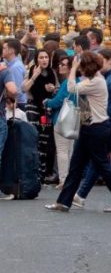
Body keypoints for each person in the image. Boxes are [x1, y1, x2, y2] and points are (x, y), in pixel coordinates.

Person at [44, 51, 111, 212]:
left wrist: (73, 68)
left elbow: (71, 88)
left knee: (103, 166)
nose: (79, 70)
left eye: (81, 67)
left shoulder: (95, 82)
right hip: (90, 127)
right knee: (77, 165)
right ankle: (63, 202)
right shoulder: (94, 80)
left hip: (95, 128)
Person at [74, 48, 111, 208]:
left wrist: (102, 118)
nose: (99, 64)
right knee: (100, 161)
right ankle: (82, 195)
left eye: (101, 60)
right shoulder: (109, 77)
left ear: (110, 60)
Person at [21, 49, 57, 182]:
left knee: (45, 141)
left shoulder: (52, 72)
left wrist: (53, 89)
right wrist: (34, 76)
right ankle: (34, 172)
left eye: (46, 57)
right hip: (33, 109)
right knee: (34, 139)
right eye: (41, 57)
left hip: (46, 109)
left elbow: (57, 89)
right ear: (36, 60)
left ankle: (42, 173)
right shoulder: (31, 71)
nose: (44, 60)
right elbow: (24, 89)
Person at [44, 55, 76, 188]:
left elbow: (59, 100)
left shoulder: (66, 82)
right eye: (60, 64)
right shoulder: (77, 81)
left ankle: (64, 179)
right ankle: (69, 178)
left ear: (70, 68)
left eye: (64, 65)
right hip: (74, 116)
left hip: (62, 117)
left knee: (62, 150)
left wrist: (47, 102)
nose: (60, 66)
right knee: (70, 150)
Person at [4, 39, 28, 111]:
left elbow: (17, 90)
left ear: (11, 51)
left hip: (17, 105)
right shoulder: (11, 65)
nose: (2, 50)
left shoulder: (15, 67)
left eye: (4, 48)